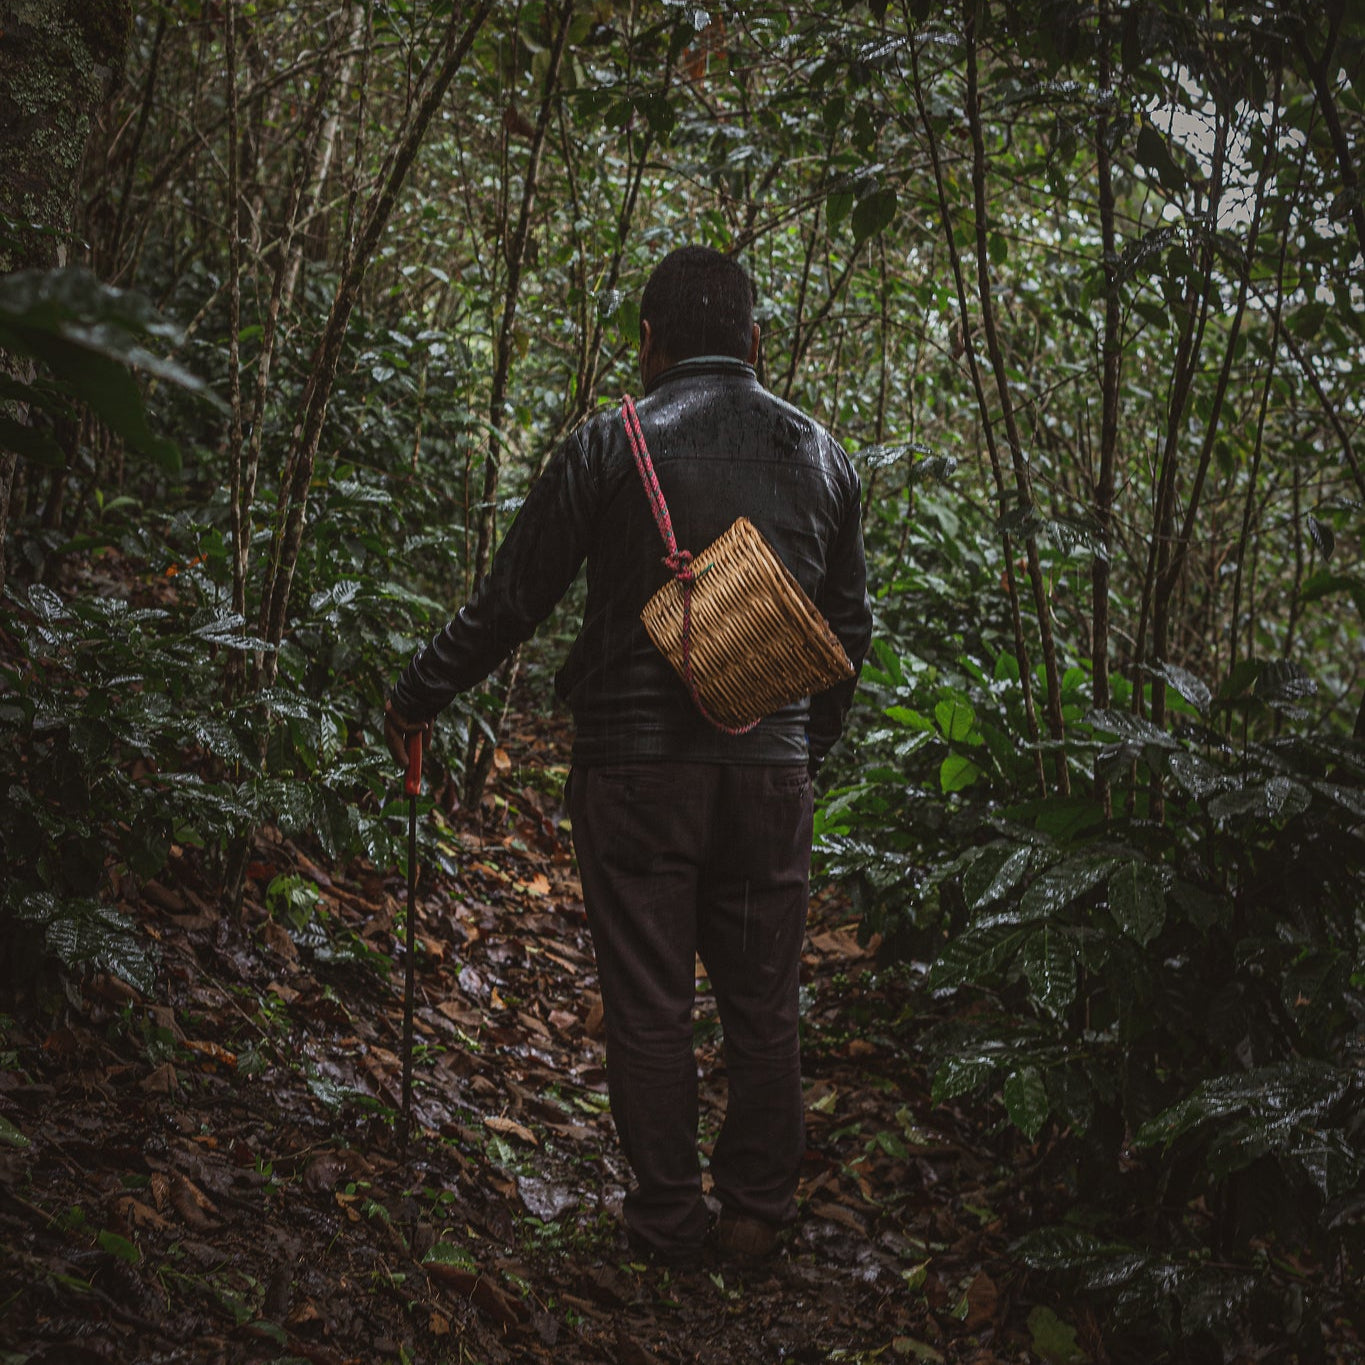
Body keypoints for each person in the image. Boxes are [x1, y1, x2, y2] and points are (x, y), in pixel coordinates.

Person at [385, 245, 872, 1269]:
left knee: (650, 1000)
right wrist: (799, 754)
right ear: (754, 344)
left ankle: (664, 1216)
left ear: (648, 346)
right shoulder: (824, 455)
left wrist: (418, 695)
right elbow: (847, 635)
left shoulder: (609, 447)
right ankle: (755, 1214)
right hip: (769, 774)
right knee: (761, 1003)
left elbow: (513, 601)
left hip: (633, 772)